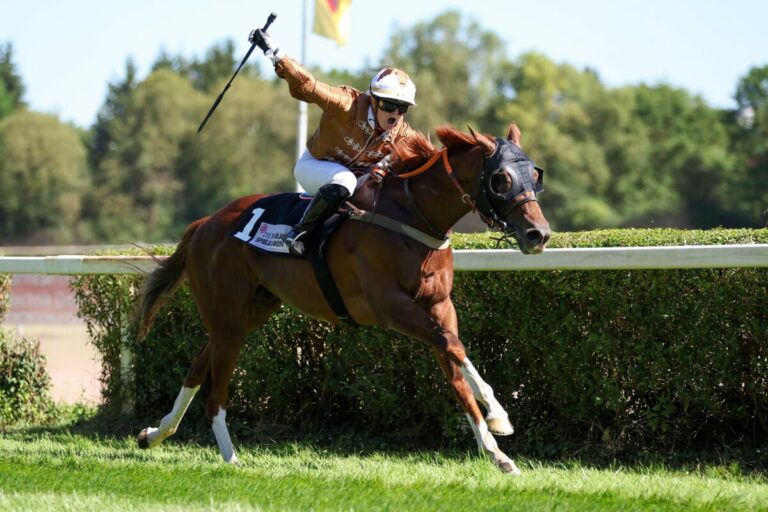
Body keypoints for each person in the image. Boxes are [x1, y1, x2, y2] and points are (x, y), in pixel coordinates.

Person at [251, 28, 419, 255]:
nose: (395, 115)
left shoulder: (401, 131)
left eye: (402, 109)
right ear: (374, 101)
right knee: (346, 180)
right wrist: (273, 51)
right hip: (314, 166)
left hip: (354, 178)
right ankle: (299, 232)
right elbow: (308, 85)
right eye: (389, 106)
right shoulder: (346, 104)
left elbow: (429, 155)